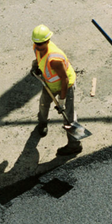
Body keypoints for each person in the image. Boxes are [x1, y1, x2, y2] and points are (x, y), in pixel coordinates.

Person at [31, 25, 82, 156]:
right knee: (43, 104)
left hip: (66, 85)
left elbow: (64, 79)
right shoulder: (36, 47)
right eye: (37, 43)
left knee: (69, 117)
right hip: (49, 84)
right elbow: (38, 59)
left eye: (41, 43)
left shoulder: (55, 59)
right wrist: (35, 67)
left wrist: (62, 101)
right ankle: (42, 123)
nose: (39, 46)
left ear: (48, 40)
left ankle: (75, 145)